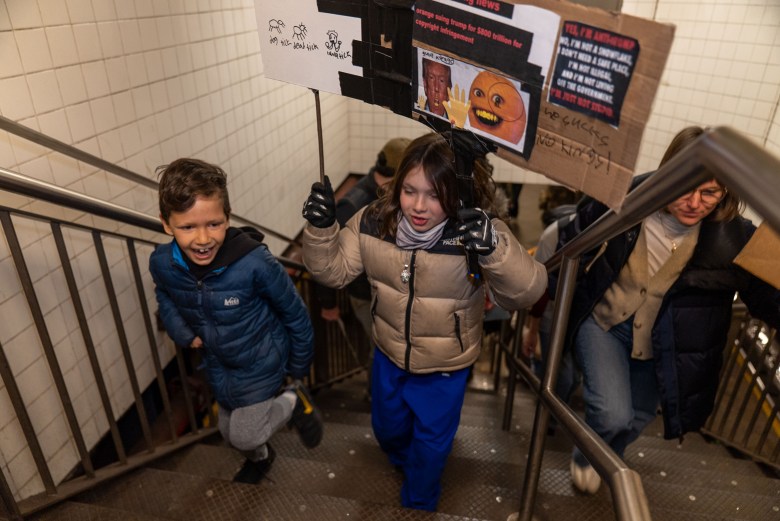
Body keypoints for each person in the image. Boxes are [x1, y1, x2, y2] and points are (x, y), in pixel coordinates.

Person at [301, 132, 547, 511]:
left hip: (445, 367)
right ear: (397, 186)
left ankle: (419, 500)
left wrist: (495, 249)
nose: (419, 206)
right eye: (410, 190)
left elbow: (527, 292)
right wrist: (320, 230)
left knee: (432, 447)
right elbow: (333, 272)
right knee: (387, 430)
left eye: (435, 195)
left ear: (456, 193)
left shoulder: (477, 232)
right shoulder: (373, 221)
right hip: (387, 354)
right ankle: (407, 464)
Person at [554, 127, 780, 494]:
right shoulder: (628, 198)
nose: (694, 202)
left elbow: (765, 297)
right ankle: (587, 455)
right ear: (670, 172)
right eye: (686, 187)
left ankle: (609, 458)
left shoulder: (735, 237)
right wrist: (545, 301)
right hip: (606, 324)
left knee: (638, 419)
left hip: (663, 341)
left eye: (710, 192)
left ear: (726, 192)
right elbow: (574, 239)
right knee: (612, 413)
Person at [148, 158, 324, 484]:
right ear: (166, 224)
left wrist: (297, 370)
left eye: (214, 224)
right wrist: (182, 332)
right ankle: (263, 458)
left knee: (244, 435)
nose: (203, 239)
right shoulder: (162, 263)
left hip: (262, 362)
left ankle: (293, 402)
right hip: (218, 363)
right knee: (229, 433)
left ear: (227, 217)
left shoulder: (255, 263)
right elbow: (165, 296)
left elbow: (296, 315)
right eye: (188, 227)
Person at [316, 137, 412, 388]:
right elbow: (329, 254)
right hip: (366, 294)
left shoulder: (389, 195)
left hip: (386, 289)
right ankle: (378, 392)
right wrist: (327, 303)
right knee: (381, 346)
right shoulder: (354, 204)